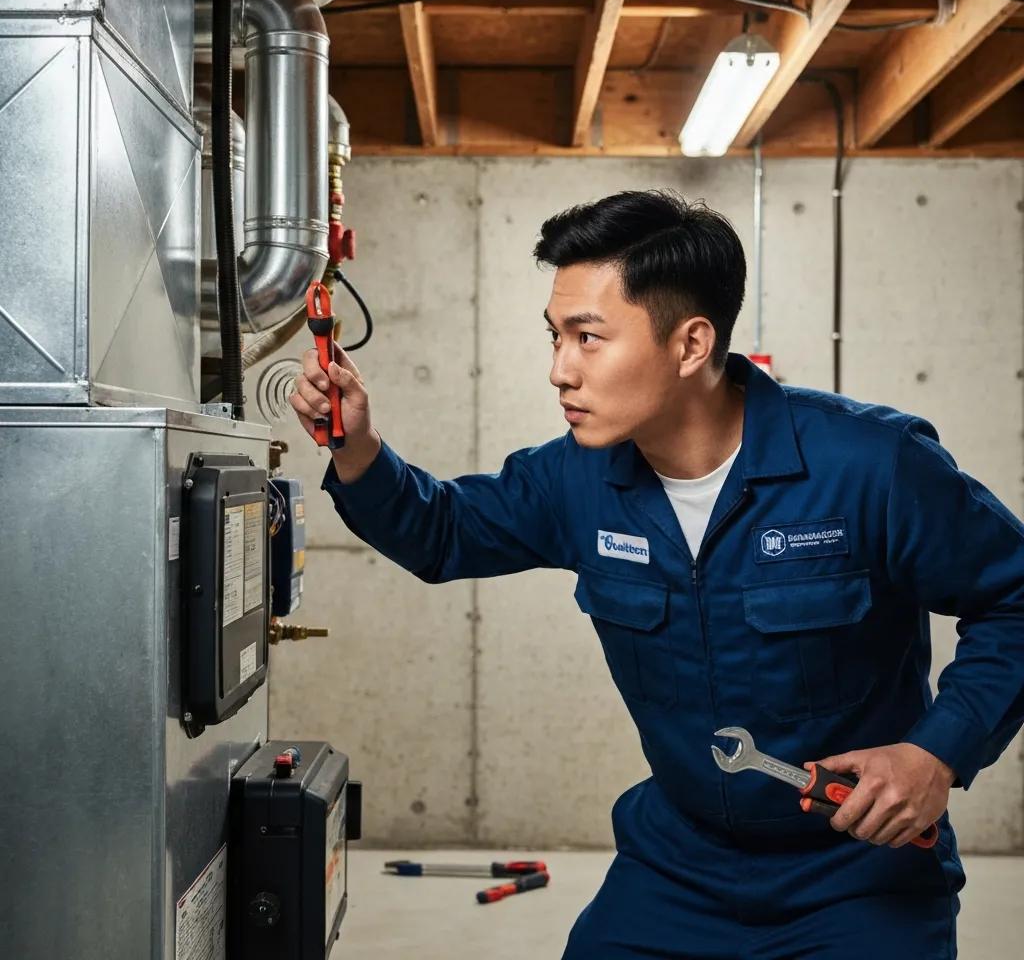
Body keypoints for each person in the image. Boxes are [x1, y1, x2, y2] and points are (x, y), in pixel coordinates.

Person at [289, 190, 1024, 958]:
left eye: (588, 338)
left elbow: (1014, 595)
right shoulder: (575, 480)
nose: (559, 370)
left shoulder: (870, 467)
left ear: (691, 343)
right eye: (555, 337)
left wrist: (937, 750)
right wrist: (357, 445)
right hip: (679, 865)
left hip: (861, 876)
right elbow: (442, 532)